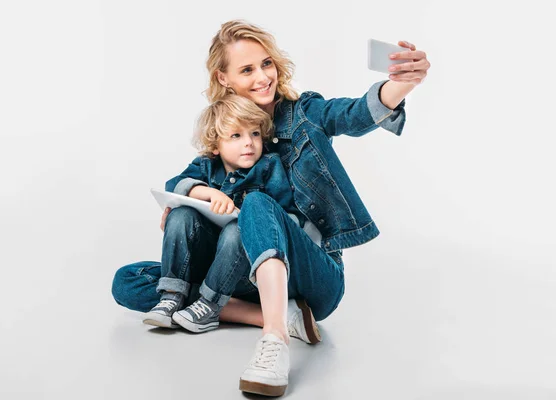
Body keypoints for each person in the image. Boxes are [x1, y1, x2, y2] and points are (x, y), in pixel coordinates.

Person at [112, 20, 430, 397]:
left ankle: (274, 338)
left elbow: (355, 114)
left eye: (267, 63)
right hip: (241, 278)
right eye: (247, 69)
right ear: (224, 77)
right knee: (129, 281)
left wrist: (403, 82)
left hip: (313, 277)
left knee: (258, 204)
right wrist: (190, 204)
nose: (263, 76)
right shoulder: (223, 133)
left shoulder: (304, 113)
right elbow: (184, 182)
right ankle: (268, 313)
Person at [142, 94, 311, 336]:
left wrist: (256, 218)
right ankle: (172, 297)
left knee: (236, 229)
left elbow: (288, 219)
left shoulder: (268, 167)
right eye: (236, 136)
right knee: (178, 218)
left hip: (246, 274)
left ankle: (210, 305)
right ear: (214, 145)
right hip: (206, 266)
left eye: (254, 133)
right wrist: (207, 192)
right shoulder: (205, 166)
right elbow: (173, 186)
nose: (249, 143)